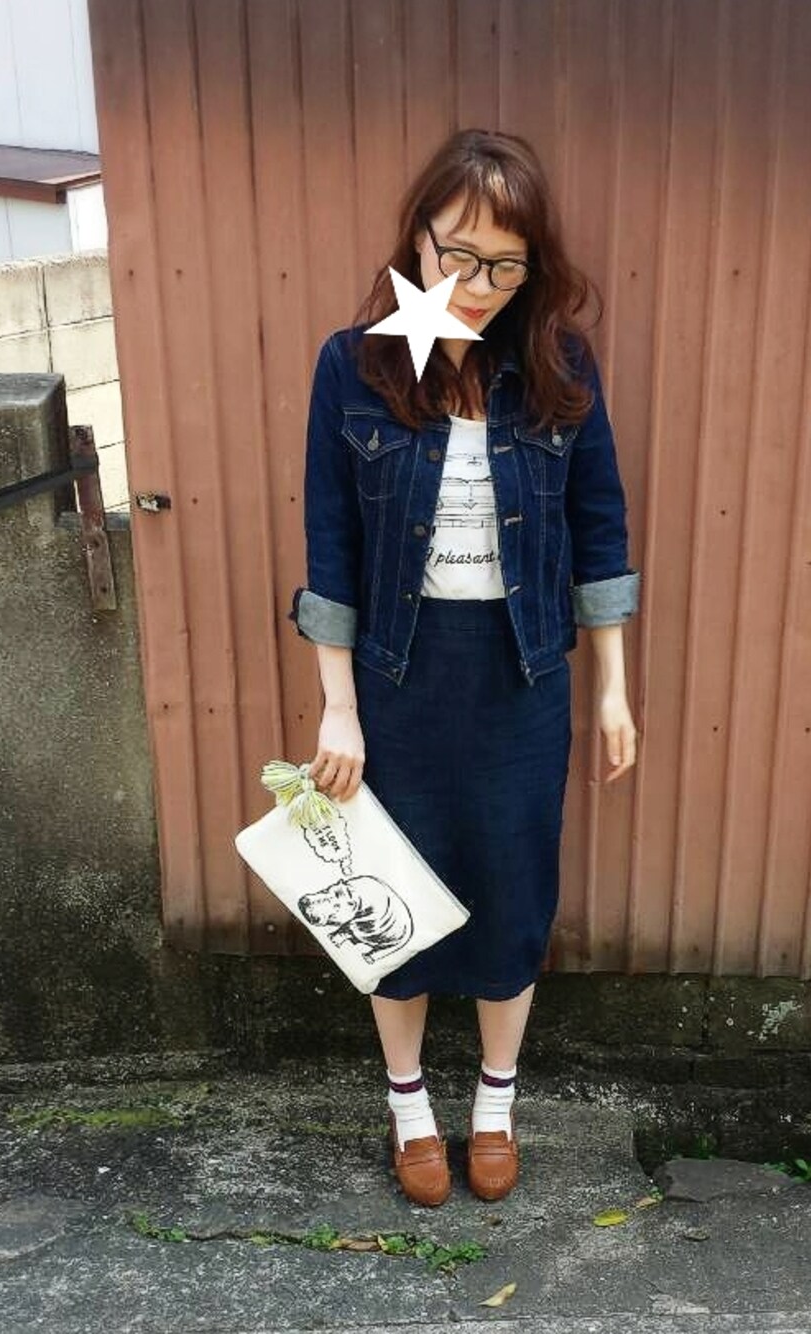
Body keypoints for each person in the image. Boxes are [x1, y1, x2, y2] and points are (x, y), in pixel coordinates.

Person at [289, 128, 640, 1207]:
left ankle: (494, 1100)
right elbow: (331, 546)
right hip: (396, 677)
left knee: (509, 892)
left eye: (506, 265)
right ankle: (408, 1105)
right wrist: (338, 708)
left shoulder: (558, 367)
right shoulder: (353, 367)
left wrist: (613, 686)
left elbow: (599, 528)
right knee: (387, 894)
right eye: (459, 255)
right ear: (419, 239)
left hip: (522, 674)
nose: (479, 285)